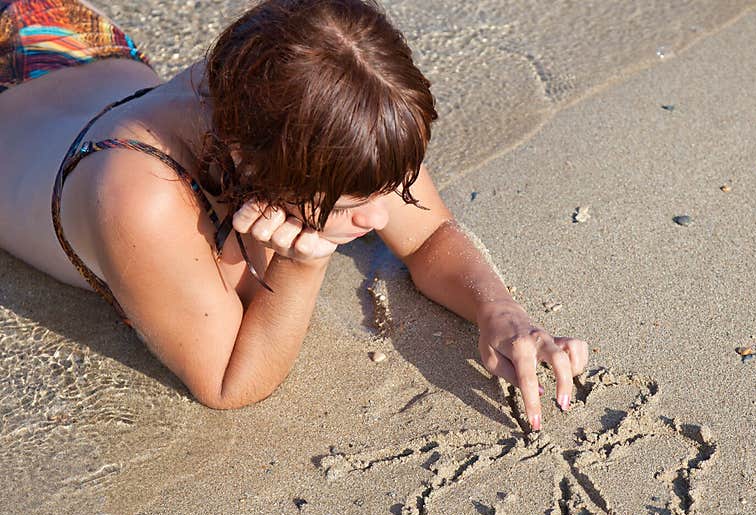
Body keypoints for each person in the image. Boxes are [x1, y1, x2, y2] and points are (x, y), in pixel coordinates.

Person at [0, 0, 587, 430]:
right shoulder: (140, 195)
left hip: (59, 33)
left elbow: (429, 233)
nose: (383, 216)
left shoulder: (283, 85)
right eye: (356, 206)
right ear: (258, 169)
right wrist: (302, 265)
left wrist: (501, 313)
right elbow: (230, 382)